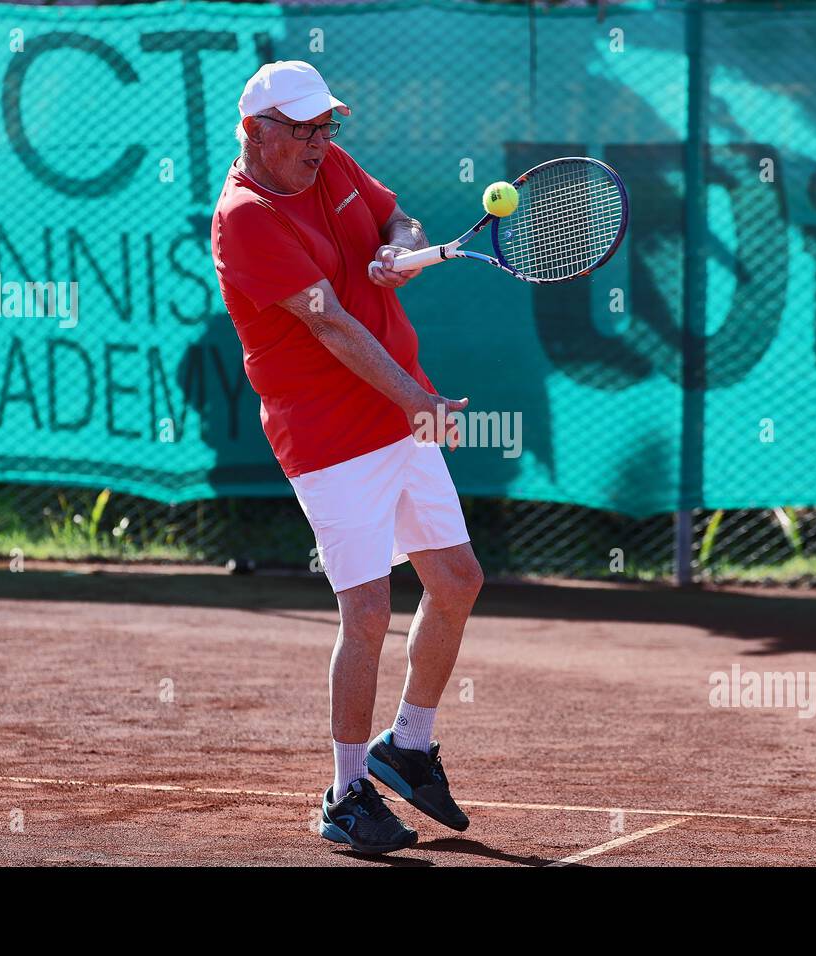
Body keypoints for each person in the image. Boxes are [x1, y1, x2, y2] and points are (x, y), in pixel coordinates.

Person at [210, 60, 484, 855]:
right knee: (366, 612)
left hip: (403, 412)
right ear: (255, 132)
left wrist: (400, 249)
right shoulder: (246, 218)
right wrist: (418, 402)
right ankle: (345, 793)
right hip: (330, 439)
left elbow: (398, 219)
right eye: (300, 129)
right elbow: (328, 325)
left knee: (458, 578)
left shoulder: (330, 164)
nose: (317, 142)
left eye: (326, 125)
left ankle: (410, 745)